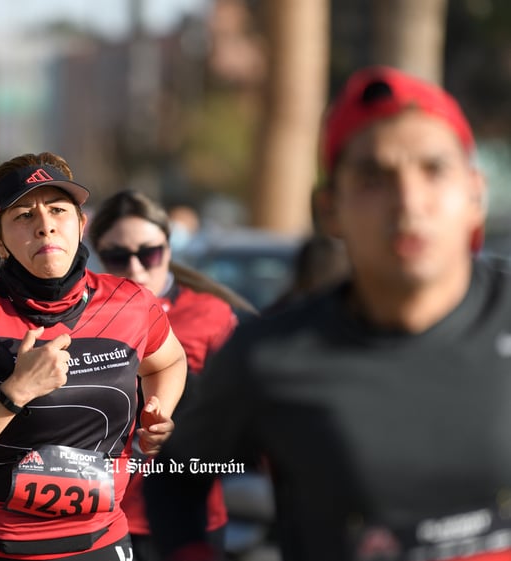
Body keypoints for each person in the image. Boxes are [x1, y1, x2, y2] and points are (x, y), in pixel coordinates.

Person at [144, 65, 500, 561]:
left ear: (476, 193)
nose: (408, 202)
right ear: (330, 208)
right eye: (375, 177)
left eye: (434, 169)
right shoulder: (269, 358)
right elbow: (173, 479)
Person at [0, 152, 189, 560]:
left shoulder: (130, 303)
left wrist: (159, 410)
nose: (45, 225)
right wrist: (14, 392)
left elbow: (168, 360)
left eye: (58, 209)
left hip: (99, 545)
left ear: (81, 224)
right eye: (23, 215)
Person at [87, 190, 242, 561]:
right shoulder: (81, 314)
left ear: (169, 248)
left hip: (187, 515)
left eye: (149, 253)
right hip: (95, 517)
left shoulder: (211, 314)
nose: (137, 268)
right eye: (118, 256)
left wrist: (184, 431)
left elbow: (240, 421)